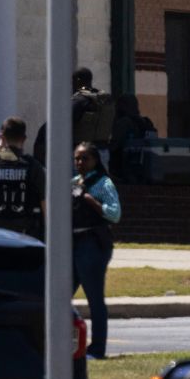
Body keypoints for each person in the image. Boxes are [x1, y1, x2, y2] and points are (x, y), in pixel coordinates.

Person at [72, 142, 121, 360]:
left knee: (94, 298)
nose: (80, 163)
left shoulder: (103, 183)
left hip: (93, 243)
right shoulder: (73, 183)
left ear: (95, 160)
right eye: (77, 158)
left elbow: (115, 213)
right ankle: (67, 343)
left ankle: (97, 348)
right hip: (72, 242)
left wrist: (92, 201)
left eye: (85, 158)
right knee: (59, 297)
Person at [33, 67, 115, 165]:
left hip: (82, 154)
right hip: (102, 152)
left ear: (77, 80)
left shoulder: (79, 100)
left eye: (71, 81)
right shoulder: (104, 100)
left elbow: (60, 124)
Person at [108, 94, 157, 182]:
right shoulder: (146, 122)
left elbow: (114, 145)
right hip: (142, 168)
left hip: (122, 168)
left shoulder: (124, 122)